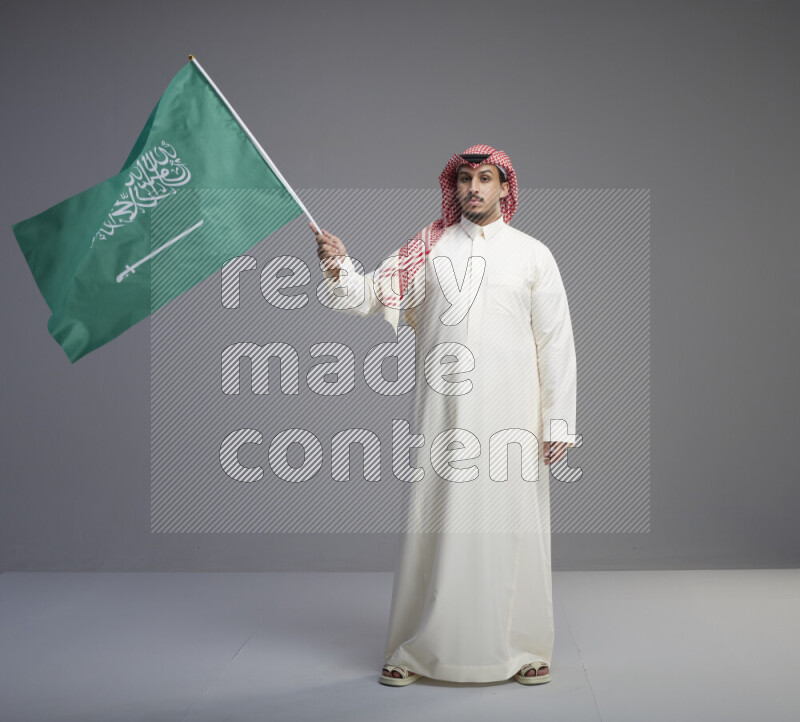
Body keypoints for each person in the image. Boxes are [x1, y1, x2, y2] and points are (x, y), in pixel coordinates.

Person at [311, 144, 577, 686]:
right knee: (438, 523)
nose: (473, 189)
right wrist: (338, 264)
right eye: (464, 180)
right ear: (452, 188)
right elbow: (367, 297)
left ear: (506, 188)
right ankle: (414, 650)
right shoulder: (425, 249)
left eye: (485, 180)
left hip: (512, 420)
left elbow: (556, 343)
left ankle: (523, 648)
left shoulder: (533, 255)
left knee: (512, 529)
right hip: (442, 417)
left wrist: (557, 422)